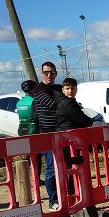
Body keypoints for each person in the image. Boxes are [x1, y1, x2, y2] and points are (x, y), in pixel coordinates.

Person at [31, 61, 63, 209]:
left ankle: (68, 197)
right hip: (47, 134)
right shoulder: (38, 89)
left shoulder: (59, 88)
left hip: (63, 133)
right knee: (51, 168)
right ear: (41, 73)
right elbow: (54, 105)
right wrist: (65, 103)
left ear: (56, 73)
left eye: (52, 72)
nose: (49, 75)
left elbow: (70, 102)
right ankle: (53, 201)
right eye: (46, 72)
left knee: (67, 166)